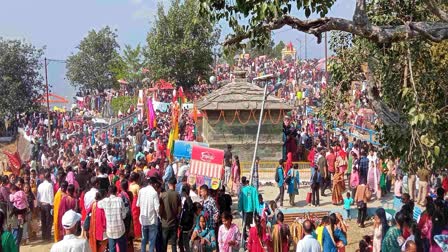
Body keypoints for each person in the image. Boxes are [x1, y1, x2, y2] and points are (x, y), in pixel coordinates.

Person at [98, 185, 127, 252]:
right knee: (122, 248)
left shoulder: (105, 201)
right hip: (120, 229)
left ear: (108, 192)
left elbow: (98, 204)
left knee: (112, 249)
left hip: (110, 230)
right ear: (116, 192)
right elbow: (124, 216)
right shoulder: (119, 200)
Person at [137, 176, 160, 252]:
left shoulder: (141, 191)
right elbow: (157, 208)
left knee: (143, 240)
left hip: (143, 220)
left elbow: (138, 204)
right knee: (151, 241)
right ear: (154, 184)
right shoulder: (154, 193)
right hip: (152, 220)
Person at [159, 177, 181, 252]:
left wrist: (161, 217)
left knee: (164, 244)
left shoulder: (163, 195)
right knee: (173, 244)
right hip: (174, 223)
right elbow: (179, 210)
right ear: (175, 184)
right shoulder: (177, 195)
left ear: (168, 184)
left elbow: (160, 210)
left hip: (165, 223)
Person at [37, 171, 54, 241]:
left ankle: (44, 235)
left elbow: (38, 196)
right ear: (49, 177)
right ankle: (48, 236)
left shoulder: (40, 185)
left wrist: (38, 205)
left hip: (41, 205)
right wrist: (52, 205)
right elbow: (51, 196)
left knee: (43, 221)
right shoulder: (49, 185)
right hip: (48, 205)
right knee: (49, 221)